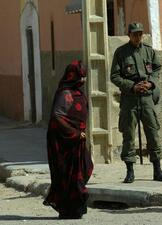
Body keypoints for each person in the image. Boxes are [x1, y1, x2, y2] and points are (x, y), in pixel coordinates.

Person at [110, 22, 162, 183]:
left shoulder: (149, 51)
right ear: (129, 35)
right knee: (128, 134)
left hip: (147, 97)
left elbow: (156, 69)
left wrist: (151, 83)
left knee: (152, 132)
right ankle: (130, 170)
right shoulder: (121, 53)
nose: (138, 37)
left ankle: (157, 169)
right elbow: (114, 76)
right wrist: (132, 86)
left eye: (140, 34)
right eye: (134, 34)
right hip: (130, 99)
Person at [43, 60, 94, 219]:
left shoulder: (78, 92)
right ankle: (69, 210)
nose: (83, 80)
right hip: (64, 142)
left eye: (84, 77)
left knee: (85, 167)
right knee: (67, 175)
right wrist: (75, 133)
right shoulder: (65, 93)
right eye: (81, 77)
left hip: (77, 142)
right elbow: (57, 117)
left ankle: (75, 208)